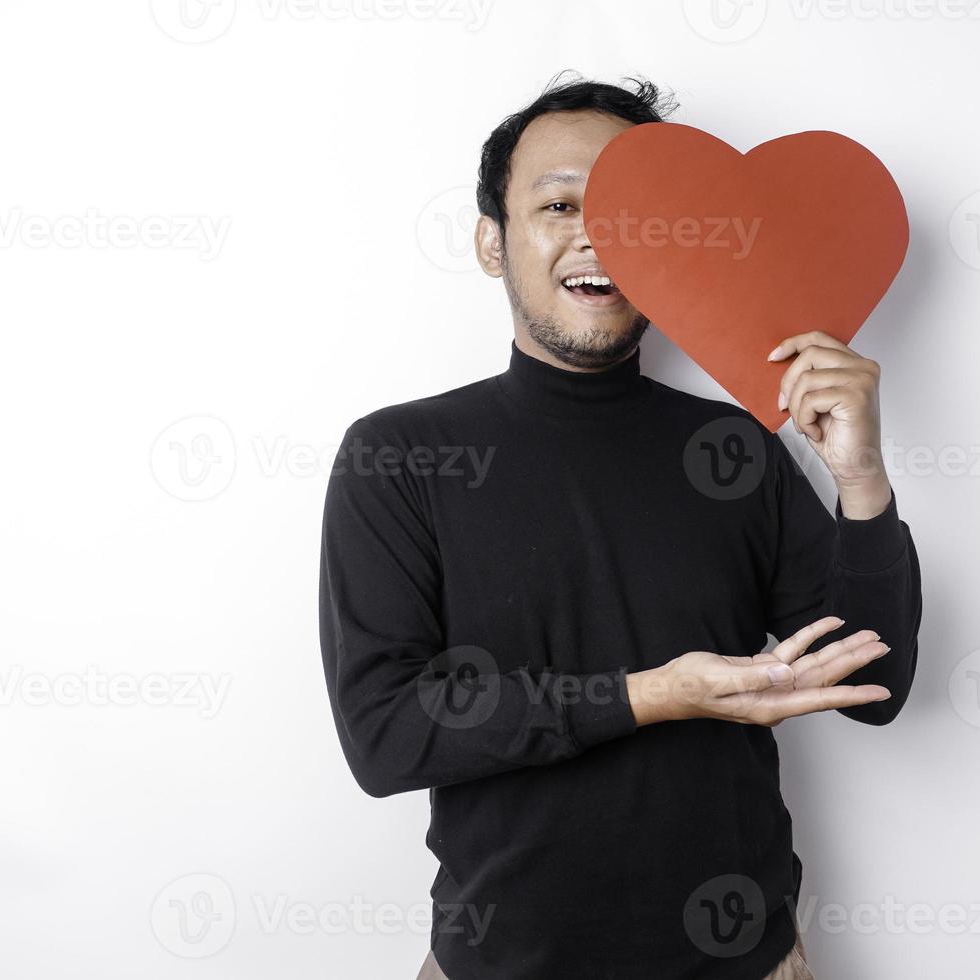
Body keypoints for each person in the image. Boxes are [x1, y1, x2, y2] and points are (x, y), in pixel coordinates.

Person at [318, 71, 922, 980]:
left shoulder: (736, 449)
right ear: (492, 241)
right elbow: (385, 734)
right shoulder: (400, 455)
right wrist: (651, 695)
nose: (596, 235)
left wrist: (862, 481)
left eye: (630, 211)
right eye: (559, 204)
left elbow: (876, 684)